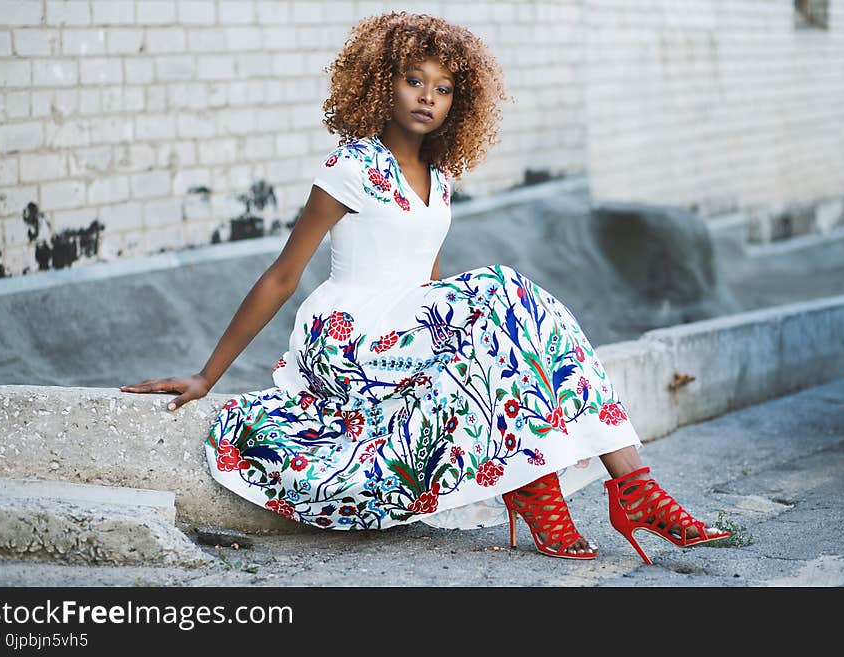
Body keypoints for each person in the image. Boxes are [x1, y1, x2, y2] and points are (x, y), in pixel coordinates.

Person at [121, 12, 728, 564]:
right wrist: (207, 375)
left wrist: (469, 347)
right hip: (349, 339)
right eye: (415, 81)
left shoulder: (440, 179)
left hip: (411, 324)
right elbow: (283, 275)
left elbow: (432, 281)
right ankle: (629, 490)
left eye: (443, 90)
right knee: (504, 290)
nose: (427, 99)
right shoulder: (350, 167)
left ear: (456, 105)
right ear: (382, 81)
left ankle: (561, 492)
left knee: (505, 323)